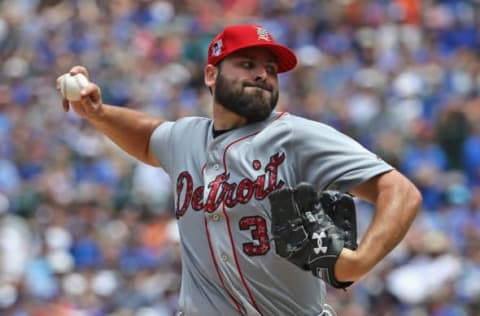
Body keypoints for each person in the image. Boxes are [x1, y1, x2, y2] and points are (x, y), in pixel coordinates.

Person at [57, 24, 421, 316]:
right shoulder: (185, 138)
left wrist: (358, 264)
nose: (263, 74)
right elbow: (148, 136)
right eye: (247, 64)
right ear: (211, 75)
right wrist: (99, 114)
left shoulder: (296, 136)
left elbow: (401, 192)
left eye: (271, 69)